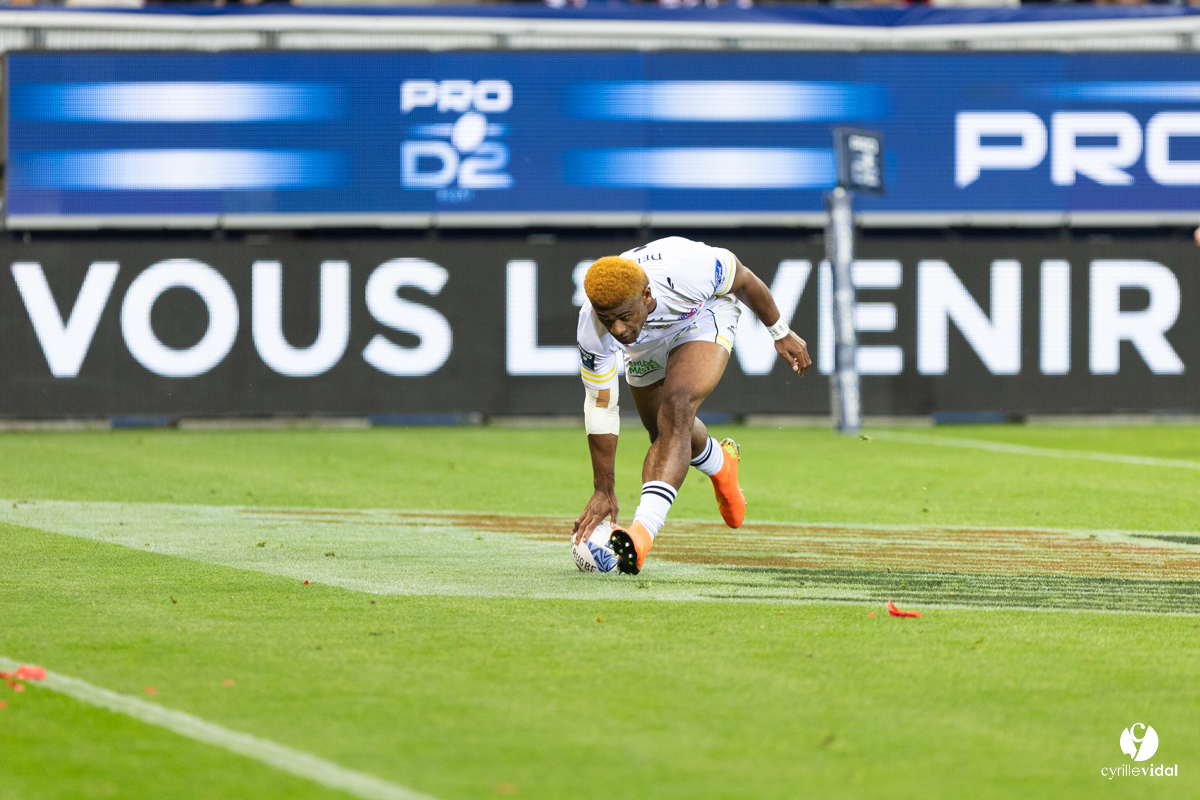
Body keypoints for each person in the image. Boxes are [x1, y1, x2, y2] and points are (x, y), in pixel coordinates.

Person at [570, 236, 811, 574]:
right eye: (608, 320)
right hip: (647, 343)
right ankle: (719, 461)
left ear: (647, 295)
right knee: (663, 430)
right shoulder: (594, 328)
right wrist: (603, 488)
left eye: (623, 316)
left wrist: (779, 330)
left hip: (704, 315)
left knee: (677, 407)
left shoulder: (688, 269)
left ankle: (640, 536)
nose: (618, 329)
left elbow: (744, 279)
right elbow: (601, 405)